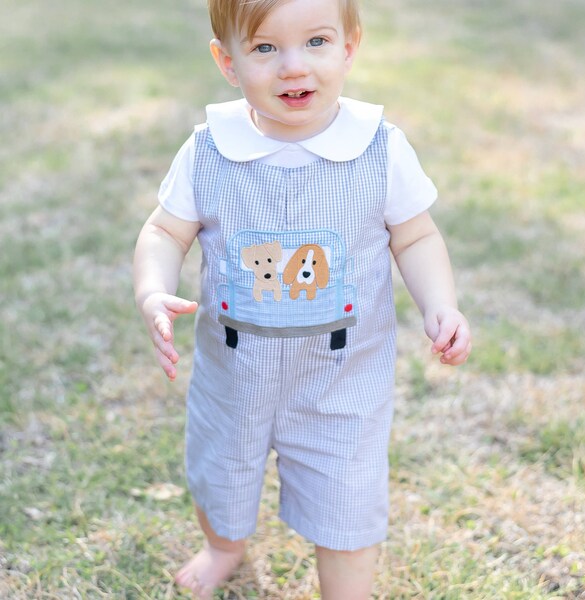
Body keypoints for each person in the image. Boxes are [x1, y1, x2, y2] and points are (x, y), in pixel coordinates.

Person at [133, 0, 472, 597]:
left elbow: (416, 235)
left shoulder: (379, 149)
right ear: (228, 62)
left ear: (349, 46)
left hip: (344, 377)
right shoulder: (210, 150)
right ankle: (222, 547)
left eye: (315, 41)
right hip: (234, 373)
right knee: (222, 473)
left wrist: (439, 304)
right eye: (264, 48)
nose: (293, 67)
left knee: (346, 494)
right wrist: (154, 290)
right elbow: (165, 231)